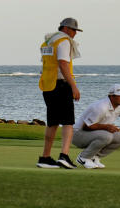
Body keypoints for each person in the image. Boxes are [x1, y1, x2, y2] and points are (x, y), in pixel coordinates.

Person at [36, 17, 82, 169]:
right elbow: (63, 64)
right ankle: (64, 155)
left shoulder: (48, 41)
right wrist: (73, 86)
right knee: (68, 122)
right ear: (67, 29)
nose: (75, 33)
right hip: (61, 84)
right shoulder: (64, 41)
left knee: (53, 123)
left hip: (48, 86)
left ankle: (45, 157)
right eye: (74, 30)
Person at [72, 84, 120, 169]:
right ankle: (83, 157)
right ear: (111, 96)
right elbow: (86, 126)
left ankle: (94, 157)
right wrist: (106, 127)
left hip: (93, 133)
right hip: (77, 135)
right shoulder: (101, 107)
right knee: (107, 136)